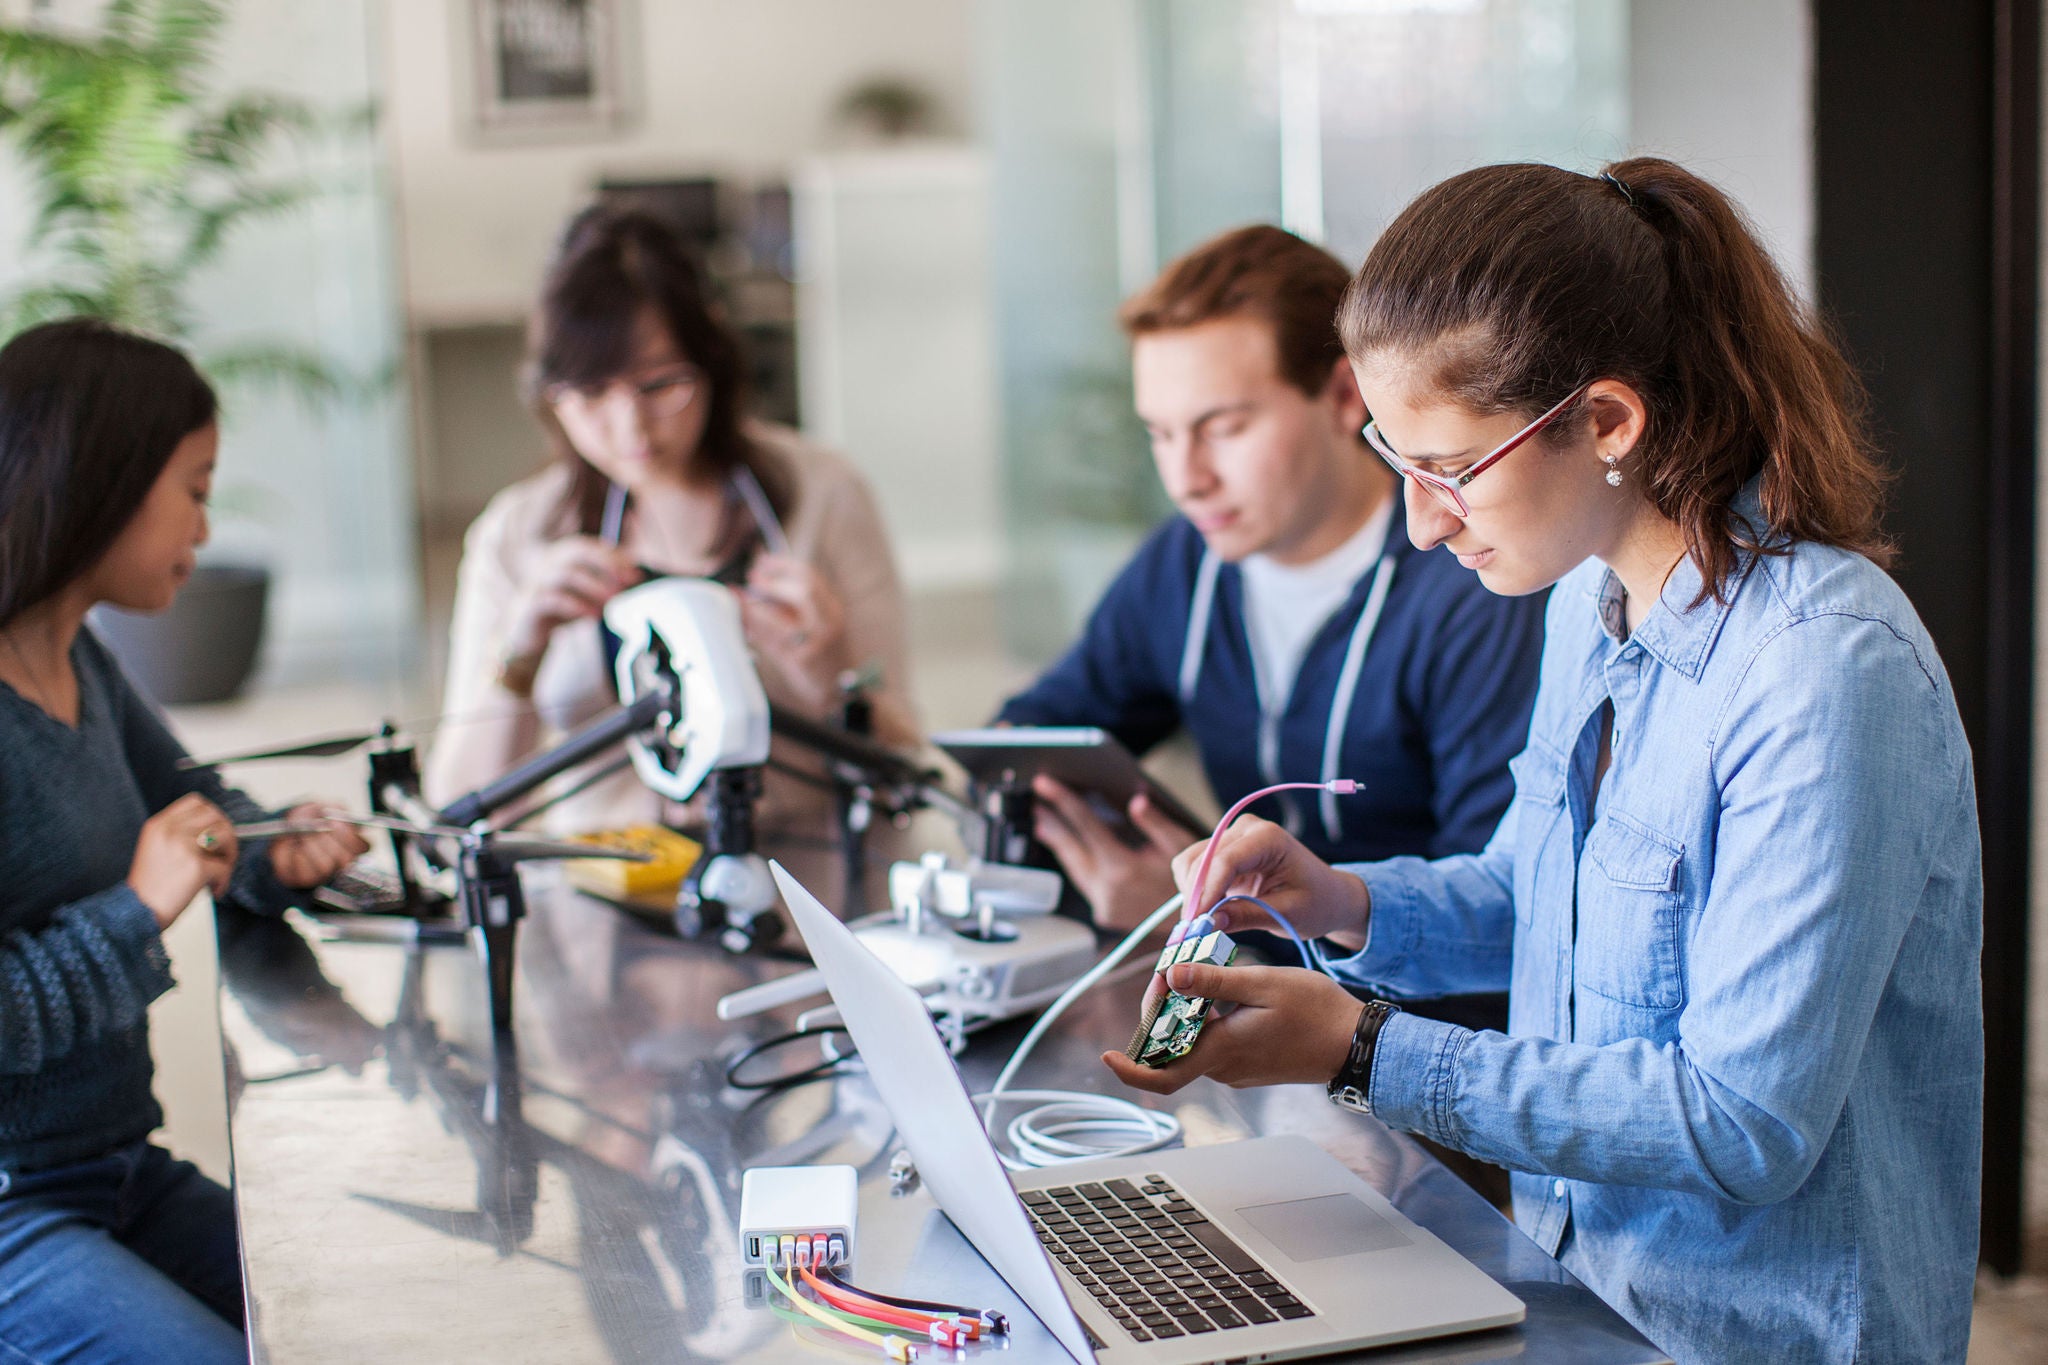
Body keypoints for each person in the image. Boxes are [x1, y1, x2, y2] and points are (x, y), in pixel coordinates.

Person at [1105, 159, 1983, 1364]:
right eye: (1392, 458)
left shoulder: (1823, 671)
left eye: (1448, 469)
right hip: (1575, 1296)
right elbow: (1538, 898)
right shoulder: (1589, 602)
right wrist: (1340, 902)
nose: (1417, 522)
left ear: (1606, 423)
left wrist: (1358, 1049)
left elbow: (1743, 1122)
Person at [998, 225, 1545, 951]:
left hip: (1416, 1032)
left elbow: (1497, 918)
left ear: (1346, 397)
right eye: (1160, 435)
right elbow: (1037, 734)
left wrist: (1195, 915)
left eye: (1222, 427)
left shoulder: (1472, 586)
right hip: (1250, 989)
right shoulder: (1184, 566)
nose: (1186, 478)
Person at [0, 318, 369, 1362]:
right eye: (196, 490)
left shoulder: (81, 664)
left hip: (116, 1167)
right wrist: (136, 908)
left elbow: (198, 808)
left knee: (354, 1326)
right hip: (15, 1216)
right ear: (104, 480)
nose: (205, 531)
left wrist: (270, 851)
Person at [428, 206, 916, 836]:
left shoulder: (826, 495)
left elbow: (907, 767)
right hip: (608, 884)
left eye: (660, 385)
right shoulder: (519, 534)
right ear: (551, 396)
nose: (631, 429)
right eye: (593, 394)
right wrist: (519, 653)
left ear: (712, 362)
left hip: (802, 873)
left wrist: (834, 677)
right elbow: (466, 808)